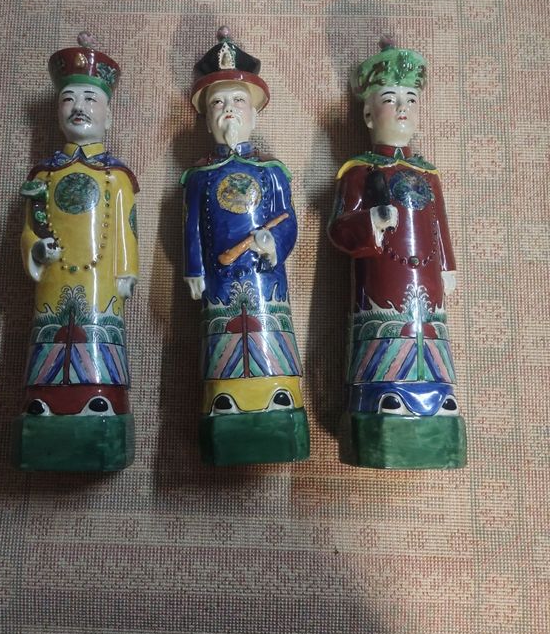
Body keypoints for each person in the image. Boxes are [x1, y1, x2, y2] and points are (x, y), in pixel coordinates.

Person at [328, 36, 466, 469]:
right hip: (381, 280)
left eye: (410, 99)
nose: (402, 108)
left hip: (428, 283)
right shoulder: (358, 171)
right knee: (383, 339)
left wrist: (448, 266)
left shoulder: (428, 173)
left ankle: (436, 414)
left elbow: (439, 224)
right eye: (390, 99)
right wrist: (371, 221)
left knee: (431, 337)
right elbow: (339, 229)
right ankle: (380, 414)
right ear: (369, 114)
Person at [181, 27, 310, 465]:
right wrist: (194, 269)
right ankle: (226, 416)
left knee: (269, 337)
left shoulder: (272, 170)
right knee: (222, 344)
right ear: (206, 119)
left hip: (265, 280)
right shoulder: (199, 176)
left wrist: (272, 243)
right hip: (219, 282)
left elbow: (288, 217)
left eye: (238, 101)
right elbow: (192, 227)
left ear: (254, 114)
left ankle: (279, 409)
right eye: (218, 104)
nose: (228, 111)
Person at [14, 33, 139, 471]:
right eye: (68, 99)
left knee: (100, 341)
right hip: (53, 282)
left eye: (90, 98)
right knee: (49, 341)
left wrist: (127, 270)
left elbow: (127, 228)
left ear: (108, 113)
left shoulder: (117, 176)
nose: (79, 107)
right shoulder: (42, 176)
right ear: (57, 111)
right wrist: (36, 249)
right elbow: (28, 230)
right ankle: (44, 421)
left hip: (101, 283)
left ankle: (102, 418)